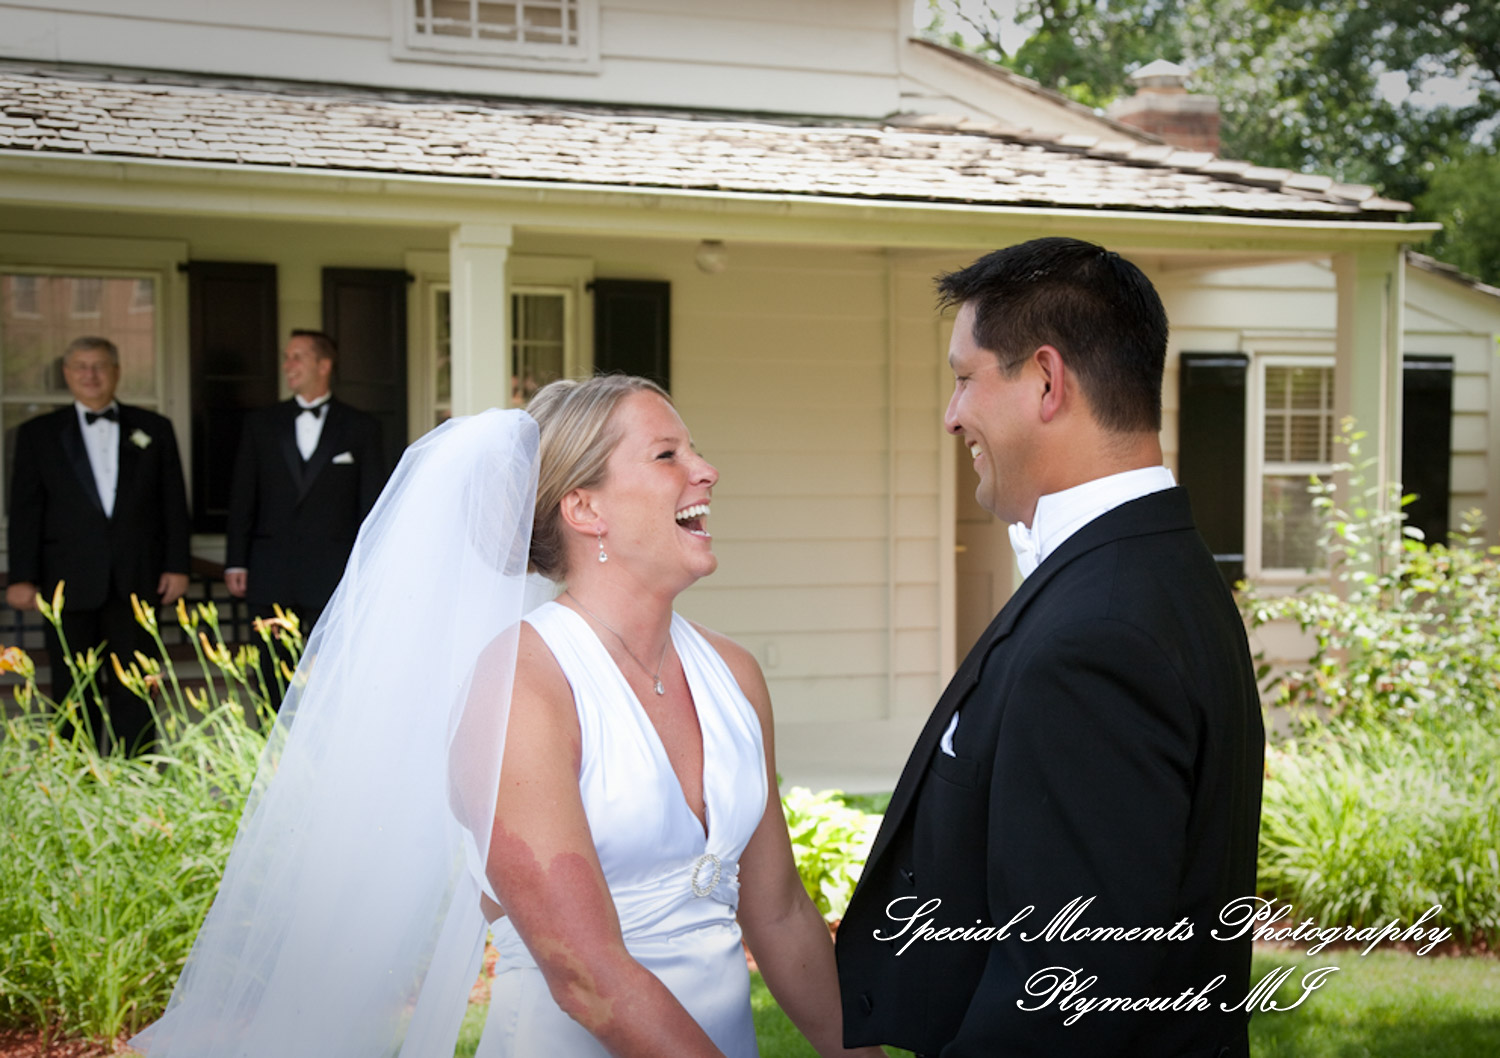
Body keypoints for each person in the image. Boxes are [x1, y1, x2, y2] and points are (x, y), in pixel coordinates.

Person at [132, 376, 883, 1058]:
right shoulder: (521, 688)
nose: (705, 470)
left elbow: (779, 914)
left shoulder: (735, 676)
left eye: (693, 450)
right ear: (585, 508)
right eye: (666, 454)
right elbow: (588, 978)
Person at [836, 238, 1265, 1057]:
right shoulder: (1160, 569)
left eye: (965, 377)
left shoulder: (1098, 634)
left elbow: (1070, 996)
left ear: (1044, 380)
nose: (951, 412)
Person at [5, 335, 191, 752]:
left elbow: (173, 503)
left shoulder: (153, 428)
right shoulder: (39, 434)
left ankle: (137, 774)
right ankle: (79, 777)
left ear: (117, 372)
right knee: (73, 686)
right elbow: (26, 511)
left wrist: (177, 565)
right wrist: (22, 576)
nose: (90, 375)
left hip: (137, 579)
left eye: (99, 366)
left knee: (137, 683)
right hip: (65, 584)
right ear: (67, 374)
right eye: (80, 367)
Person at [224, 329, 384, 695]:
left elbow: (372, 504)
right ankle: (272, 750)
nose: (287, 365)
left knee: (334, 675)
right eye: (286, 357)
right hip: (270, 569)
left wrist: (369, 569)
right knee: (271, 674)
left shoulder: (362, 427)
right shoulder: (261, 424)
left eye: (296, 356)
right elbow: (243, 496)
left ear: (324, 364)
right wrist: (236, 560)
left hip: (335, 572)